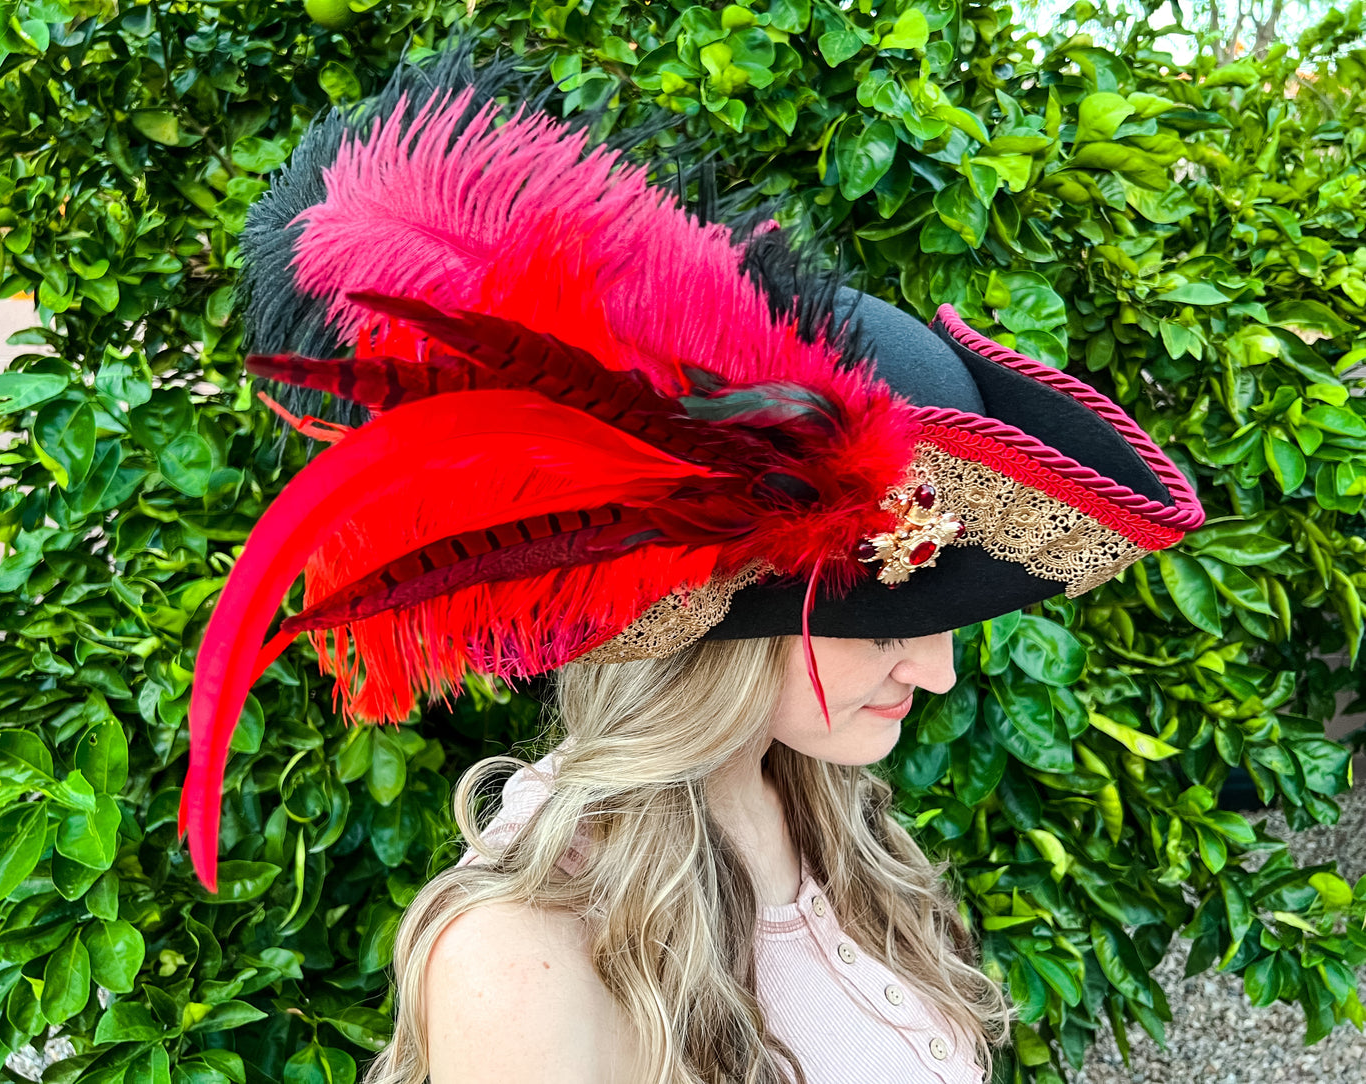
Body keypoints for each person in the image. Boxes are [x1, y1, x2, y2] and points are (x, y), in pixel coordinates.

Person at [178, 49, 1205, 1084]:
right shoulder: (527, 957)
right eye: (889, 616)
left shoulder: (831, 828)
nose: (936, 670)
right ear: (711, 623)